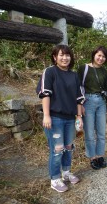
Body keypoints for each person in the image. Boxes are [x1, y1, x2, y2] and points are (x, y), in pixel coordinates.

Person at [36, 44, 85, 193]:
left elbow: (78, 98)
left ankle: (66, 173)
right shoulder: (50, 72)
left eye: (67, 55)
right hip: (55, 117)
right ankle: (55, 179)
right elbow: (45, 94)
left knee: (69, 148)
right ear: (55, 57)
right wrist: (46, 115)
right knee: (57, 150)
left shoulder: (73, 75)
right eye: (61, 55)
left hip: (70, 118)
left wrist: (79, 117)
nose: (65, 58)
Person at [77, 46, 107, 170]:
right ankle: (92, 157)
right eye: (99, 55)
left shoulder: (105, 72)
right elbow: (78, 87)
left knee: (101, 132)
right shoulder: (83, 68)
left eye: (103, 56)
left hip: (101, 102)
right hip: (88, 101)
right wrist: (80, 106)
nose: (101, 58)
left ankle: (100, 155)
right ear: (94, 55)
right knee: (90, 133)